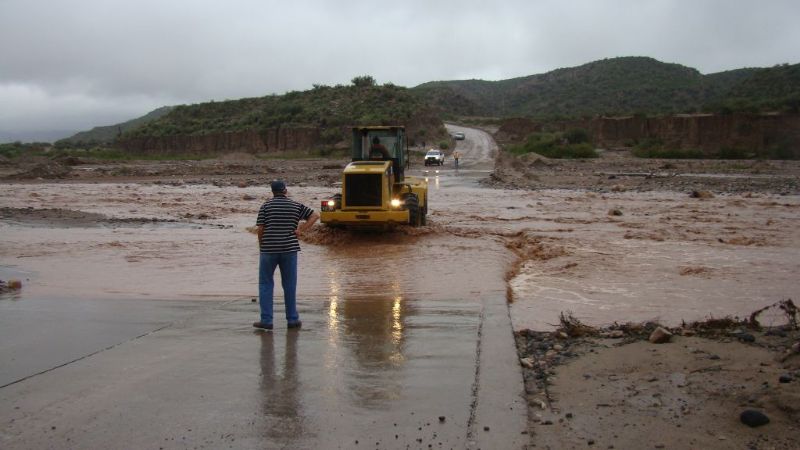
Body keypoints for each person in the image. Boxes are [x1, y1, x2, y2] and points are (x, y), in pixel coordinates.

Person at [254, 180, 319, 330]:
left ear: (272, 191)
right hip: (289, 249)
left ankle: (267, 321)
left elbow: (260, 229)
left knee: (265, 284)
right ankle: (292, 319)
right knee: (289, 285)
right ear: (285, 191)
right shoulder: (295, 206)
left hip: (268, 250)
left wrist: (261, 246)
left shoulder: (265, 206)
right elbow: (315, 215)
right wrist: (301, 230)